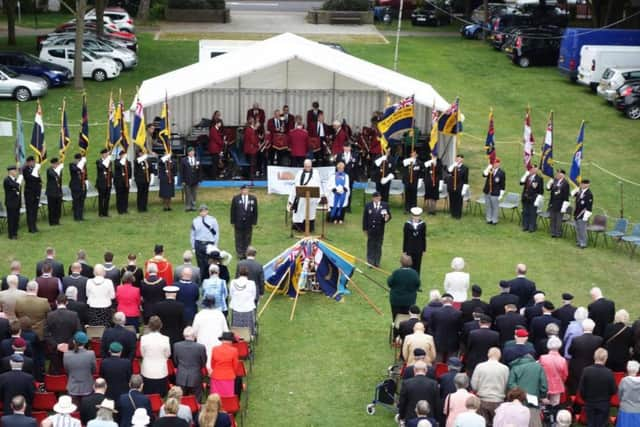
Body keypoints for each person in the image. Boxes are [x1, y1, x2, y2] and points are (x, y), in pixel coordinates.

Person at [579, 348, 617, 427]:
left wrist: (586, 399)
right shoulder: (609, 372)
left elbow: (581, 389)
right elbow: (613, 390)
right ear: (605, 358)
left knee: (590, 424)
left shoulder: (586, 370)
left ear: (594, 357)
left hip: (590, 403)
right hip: (603, 404)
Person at [507, 353, 548, 427]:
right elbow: (544, 386)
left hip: (518, 403)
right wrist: (541, 396)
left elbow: (510, 384)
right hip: (533, 403)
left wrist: (519, 393)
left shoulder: (515, 367)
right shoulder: (539, 367)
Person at [470, 347, 509, 423]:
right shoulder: (505, 369)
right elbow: (507, 386)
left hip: (482, 401)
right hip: (498, 401)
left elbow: (474, 385)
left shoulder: (480, 366)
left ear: (488, 355)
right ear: (500, 356)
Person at [45, 295, 82, 373]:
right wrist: (68, 344)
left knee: (55, 372)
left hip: (55, 350)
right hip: (69, 350)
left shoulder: (50, 315)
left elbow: (46, 333)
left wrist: (56, 345)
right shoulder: (73, 315)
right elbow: (78, 332)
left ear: (56, 302)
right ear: (67, 302)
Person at [568, 318, 603, 395]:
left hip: (578, 367)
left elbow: (570, 352)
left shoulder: (576, 340)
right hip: (591, 367)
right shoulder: (598, 340)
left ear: (583, 328)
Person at [288, 159, 322, 232]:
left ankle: (309, 228)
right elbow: (295, 185)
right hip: (301, 196)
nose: (307, 168)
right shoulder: (299, 173)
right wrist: (291, 199)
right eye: (306, 166)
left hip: (312, 197)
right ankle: (299, 227)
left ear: (311, 166)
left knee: (310, 212)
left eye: (309, 166)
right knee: (299, 211)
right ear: (304, 166)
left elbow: (318, 185)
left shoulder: (315, 173)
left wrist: (320, 196)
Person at [140, 316, 171, 397]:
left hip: (148, 370)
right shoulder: (165, 339)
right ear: (160, 326)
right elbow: (167, 354)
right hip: (160, 370)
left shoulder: (144, 338)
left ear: (149, 326)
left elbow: (143, 353)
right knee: (160, 396)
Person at [173, 327, 207, 400]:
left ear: (184, 335)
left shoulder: (176, 345)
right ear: (194, 336)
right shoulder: (200, 347)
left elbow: (175, 361)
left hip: (181, 376)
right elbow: (203, 362)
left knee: (180, 400)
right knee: (197, 400)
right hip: (195, 376)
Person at [193, 296, 229, 362]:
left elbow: (194, 332)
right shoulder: (220, 314)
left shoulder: (199, 315)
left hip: (202, 343)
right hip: (217, 343)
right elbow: (226, 331)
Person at [387, 254, 421, 321]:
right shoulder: (414, 273)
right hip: (409, 301)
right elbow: (418, 284)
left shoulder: (396, 273)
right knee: (407, 318)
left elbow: (389, 283)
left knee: (396, 319)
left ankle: (396, 330)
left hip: (396, 301)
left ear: (401, 262)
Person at [362, 191, 392, 267]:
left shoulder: (385, 205)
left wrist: (387, 218)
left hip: (380, 229)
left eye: (378, 197)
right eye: (375, 198)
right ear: (373, 198)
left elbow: (389, 216)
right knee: (371, 245)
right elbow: (365, 218)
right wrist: (364, 229)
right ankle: (370, 262)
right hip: (371, 229)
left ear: (380, 197)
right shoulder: (368, 205)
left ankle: (377, 262)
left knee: (378, 246)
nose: (377, 199)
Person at [431, 294, 463, 362]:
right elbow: (460, 328)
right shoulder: (458, 313)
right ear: (452, 302)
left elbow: (432, 327)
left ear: (442, 302)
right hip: (453, 342)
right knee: (451, 363)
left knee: (438, 363)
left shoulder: (436, 313)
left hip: (439, 341)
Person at [191, 205, 219, 280]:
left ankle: (209, 278)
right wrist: (193, 246)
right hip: (199, 243)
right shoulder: (195, 221)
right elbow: (192, 234)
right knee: (200, 263)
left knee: (209, 262)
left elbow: (216, 233)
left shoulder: (213, 220)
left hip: (209, 244)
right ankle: (201, 279)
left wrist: (215, 245)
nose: (203, 213)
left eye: (204, 211)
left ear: (207, 211)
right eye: (201, 211)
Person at [230, 185, 258, 259]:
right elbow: (232, 210)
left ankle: (246, 252)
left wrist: (254, 222)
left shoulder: (253, 198)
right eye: (244, 190)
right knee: (238, 237)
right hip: (238, 222)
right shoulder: (236, 198)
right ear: (241, 190)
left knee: (247, 238)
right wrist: (232, 221)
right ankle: (239, 253)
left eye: (247, 189)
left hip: (249, 222)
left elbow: (255, 211)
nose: (245, 191)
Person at [209, 331, 240, 397]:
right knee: (227, 397)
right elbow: (235, 366)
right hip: (228, 376)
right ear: (231, 341)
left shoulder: (215, 349)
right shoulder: (234, 350)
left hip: (216, 376)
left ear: (222, 340)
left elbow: (212, 364)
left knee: (215, 398)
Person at [229, 266, 257, 335]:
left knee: (237, 326)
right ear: (247, 274)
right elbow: (254, 296)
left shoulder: (233, 282)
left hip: (237, 307)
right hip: (247, 308)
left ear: (239, 274)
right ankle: (249, 336)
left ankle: (237, 336)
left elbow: (231, 295)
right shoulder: (251, 283)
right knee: (248, 327)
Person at [615, 360, 640, 426]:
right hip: (638, 410)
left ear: (627, 369)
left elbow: (619, 394)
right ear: (637, 370)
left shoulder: (624, 381)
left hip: (625, 410)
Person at [481, 158, 505, 225]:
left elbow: (503, 184)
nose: (495, 164)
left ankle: (494, 220)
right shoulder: (489, 170)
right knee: (488, 206)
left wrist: (501, 194)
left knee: (495, 207)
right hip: (487, 190)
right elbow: (484, 175)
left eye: (496, 163)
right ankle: (489, 219)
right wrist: (488, 168)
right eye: (494, 163)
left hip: (495, 192)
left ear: (499, 164)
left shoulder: (501, 173)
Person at [403, 207, 427, 275]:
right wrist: (404, 250)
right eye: (415, 216)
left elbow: (423, 237)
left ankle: (417, 278)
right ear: (412, 215)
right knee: (409, 264)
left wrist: (424, 249)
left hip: (419, 248)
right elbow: (405, 238)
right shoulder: (407, 224)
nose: (416, 218)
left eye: (418, 216)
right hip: (409, 248)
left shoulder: (422, 224)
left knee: (418, 264)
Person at [520, 164, 543, 232]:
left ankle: (531, 227)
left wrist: (537, 200)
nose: (531, 170)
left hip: (533, 198)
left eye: (533, 169)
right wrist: (525, 175)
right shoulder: (527, 177)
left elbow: (541, 191)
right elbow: (521, 183)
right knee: (525, 212)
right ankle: (525, 226)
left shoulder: (539, 179)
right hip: (525, 197)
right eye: (530, 169)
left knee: (532, 213)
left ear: (536, 170)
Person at [547, 169, 570, 238]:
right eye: (557, 173)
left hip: (560, 204)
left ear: (562, 175)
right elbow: (548, 189)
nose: (556, 174)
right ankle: (553, 232)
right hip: (553, 202)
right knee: (552, 218)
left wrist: (564, 206)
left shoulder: (565, 183)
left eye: (558, 173)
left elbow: (566, 196)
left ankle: (558, 233)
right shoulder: (555, 181)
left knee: (558, 220)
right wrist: (549, 183)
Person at [446, 154, 468, 219]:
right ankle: (452, 213)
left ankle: (458, 215)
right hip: (452, 186)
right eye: (457, 158)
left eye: (460, 158)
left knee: (458, 201)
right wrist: (454, 165)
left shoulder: (465, 168)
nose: (458, 160)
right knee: (452, 200)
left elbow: (465, 180)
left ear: (462, 160)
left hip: (459, 186)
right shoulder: (453, 166)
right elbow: (448, 171)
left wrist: (464, 189)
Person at [22, 156, 41, 233]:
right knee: (30, 211)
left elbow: (39, 180)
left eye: (34, 161)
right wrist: (36, 173)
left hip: (36, 192)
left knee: (35, 210)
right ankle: (31, 227)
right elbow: (30, 178)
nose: (33, 163)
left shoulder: (34, 170)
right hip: (29, 193)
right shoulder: (25, 170)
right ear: (28, 162)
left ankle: (34, 226)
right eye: (32, 162)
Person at [574, 178, 593, 248]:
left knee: (582, 229)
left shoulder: (589, 194)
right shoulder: (580, 191)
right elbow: (576, 199)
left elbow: (589, 206)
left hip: (583, 213)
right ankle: (579, 241)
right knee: (577, 228)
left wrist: (586, 216)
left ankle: (583, 243)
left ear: (588, 185)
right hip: (577, 212)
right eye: (581, 184)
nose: (582, 185)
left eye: (584, 184)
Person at [4, 165, 21, 239]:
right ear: (10, 172)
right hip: (10, 203)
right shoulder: (7, 180)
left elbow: (18, 189)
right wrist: (19, 181)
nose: (16, 172)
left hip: (17, 202)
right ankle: (11, 235)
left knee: (16, 219)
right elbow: (15, 186)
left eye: (16, 171)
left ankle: (15, 233)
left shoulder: (15, 179)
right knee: (11, 219)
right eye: (14, 171)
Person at [181, 147, 200, 211]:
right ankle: (188, 206)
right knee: (187, 193)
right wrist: (183, 180)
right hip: (187, 179)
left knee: (194, 193)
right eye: (190, 152)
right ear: (188, 153)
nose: (192, 153)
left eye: (193, 151)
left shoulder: (197, 159)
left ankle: (193, 205)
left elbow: (199, 170)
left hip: (195, 179)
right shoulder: (184, 160)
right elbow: (182, 171)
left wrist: (199, 179)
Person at [46, 157, 64, 226]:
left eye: (57, 164)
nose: (57, 165)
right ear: (52, 164)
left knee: (58, 207)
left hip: (58, 191)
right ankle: (52, 222)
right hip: (51, 192)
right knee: (52, 208)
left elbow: (60, 181)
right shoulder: (49, 170)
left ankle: (57, 221)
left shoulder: (59, 170)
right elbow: (53, 175)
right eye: (55, 164)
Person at [69, 153, 87, 221]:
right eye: (79, 160)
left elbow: (85, 174)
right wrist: (81, 164)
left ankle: (81, 216)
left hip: (82, 185)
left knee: (81, 202)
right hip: (75, 186)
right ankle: (76, 217)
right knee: (76, 202)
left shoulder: (82, 165)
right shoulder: (72, 165)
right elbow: (76, 169)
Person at [96, 149, 112, 217]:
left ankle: (106, 212)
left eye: (107, 154)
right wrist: (107, 160)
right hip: (101, 182)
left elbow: (111, 171)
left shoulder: (109, 161)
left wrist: (112, 179)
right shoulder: (98, 161)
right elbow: (101, 167)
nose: (106, 155)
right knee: (101, 198)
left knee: (107, 198)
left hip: (108, 182)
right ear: (102, 154)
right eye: (105, 154)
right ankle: (100, 213)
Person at [113, 150, 131, 215]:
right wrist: (123, 159)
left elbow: (129, 171)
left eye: (124, 155)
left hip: (126, 181)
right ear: (120, 156)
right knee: (119, 196)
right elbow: (119, 166)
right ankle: (120, 210)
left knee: (125, 196)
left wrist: (130, 179)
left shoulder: (128, 162)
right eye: (122, 155)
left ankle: (125, 209)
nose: (124, 156)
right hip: (119, 182)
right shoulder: (116, 161)